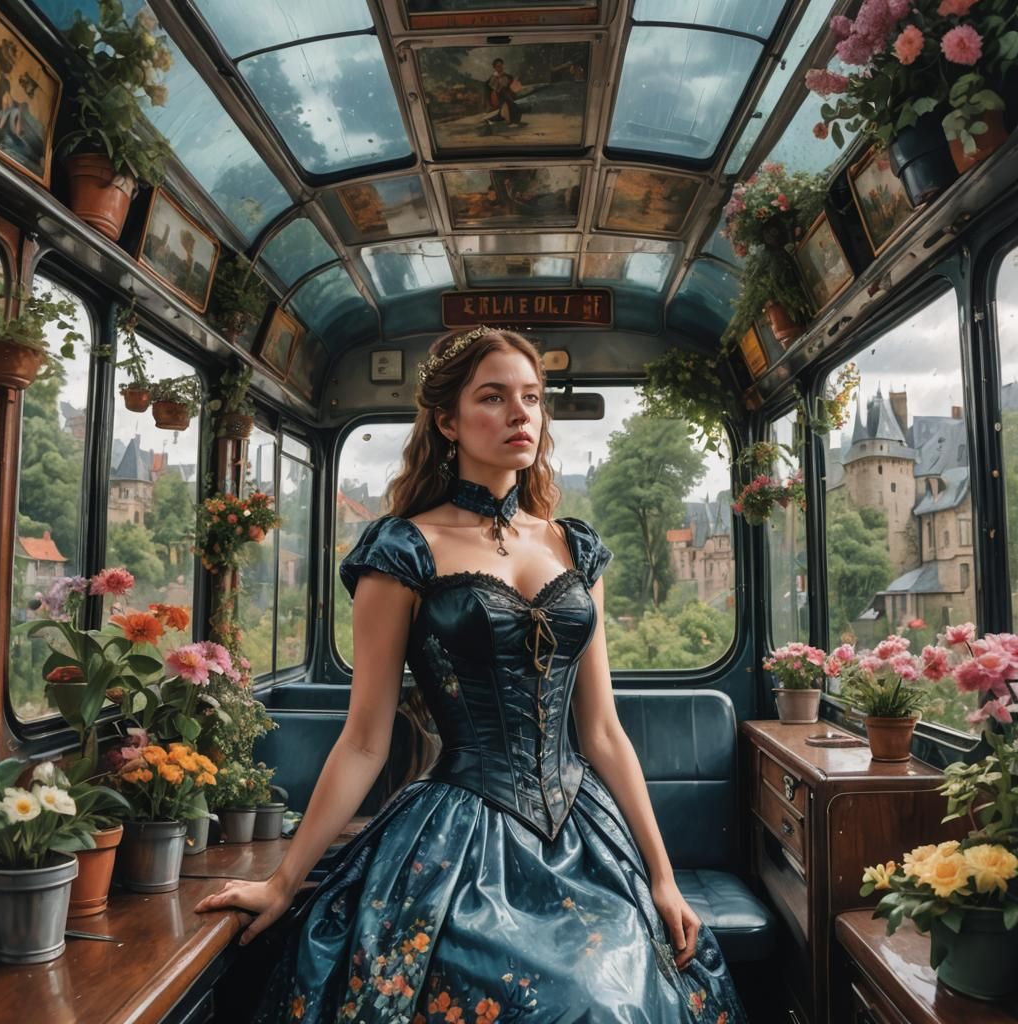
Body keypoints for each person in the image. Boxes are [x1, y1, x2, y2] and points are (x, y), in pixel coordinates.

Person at [195, 326, 747, 1023]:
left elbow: (602, 731)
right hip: (461, 838)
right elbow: (365, 741)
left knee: (621, 996)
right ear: (448, 421)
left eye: (532, 398)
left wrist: (663, 879)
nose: (522, 415)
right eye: (494, 397)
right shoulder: (402, 551)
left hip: (586, 834)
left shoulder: (575, 547)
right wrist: (281, 883)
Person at [483, 58, 522, 127]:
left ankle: (514, 121)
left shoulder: (508, 76)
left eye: (501, 65)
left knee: (511, 102)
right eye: (498, 66)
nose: (500, 68)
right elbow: (488, 91)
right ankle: (512, 121)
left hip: (507, 97)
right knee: (505, 96)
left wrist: (514, 83)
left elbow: (514, 87)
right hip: (497, 98)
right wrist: (488, 103)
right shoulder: (492, 78)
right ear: (494, 68)